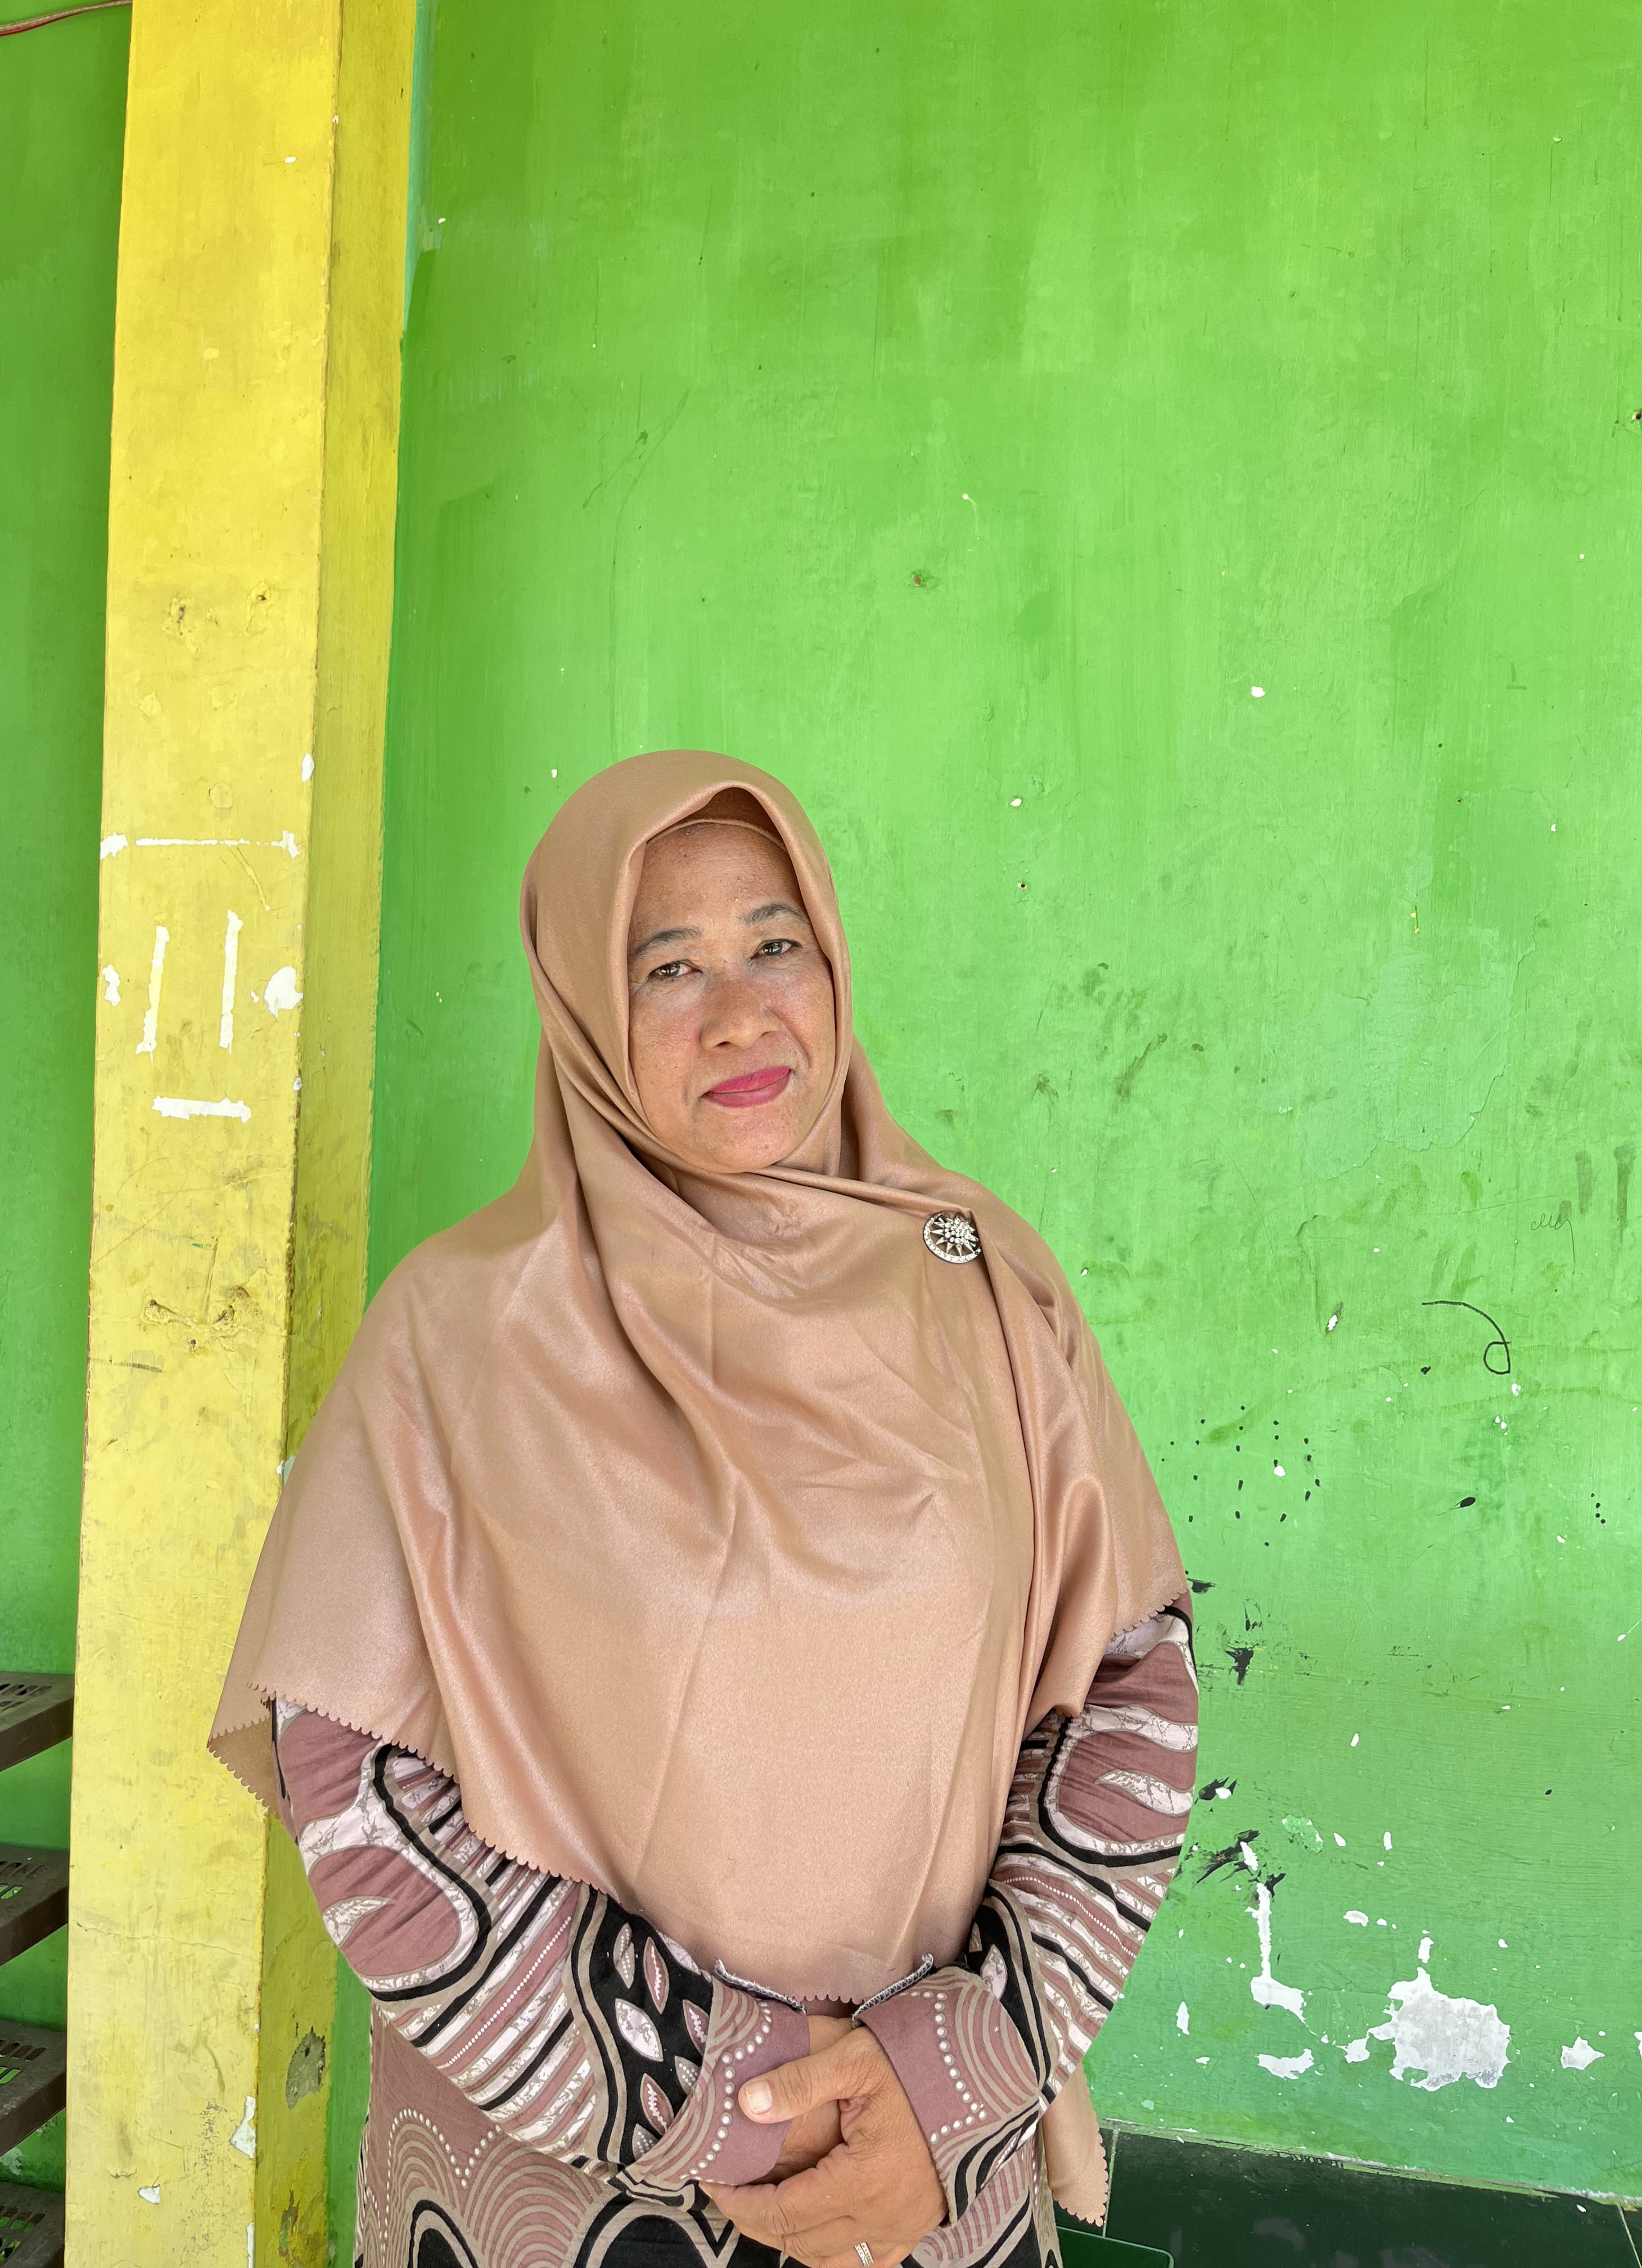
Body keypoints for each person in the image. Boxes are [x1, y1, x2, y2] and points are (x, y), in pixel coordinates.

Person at [211, 750, 1196, 2268]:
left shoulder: (986, 1283)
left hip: (930, 2174)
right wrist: (753, 2102)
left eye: (774, 944)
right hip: (560, 2197)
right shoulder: (460, 1334)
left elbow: (1128, 1681)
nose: (740, 1014)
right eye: (667, 965)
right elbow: (356, 1777)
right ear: (582, 1008)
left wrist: (952, 2074)